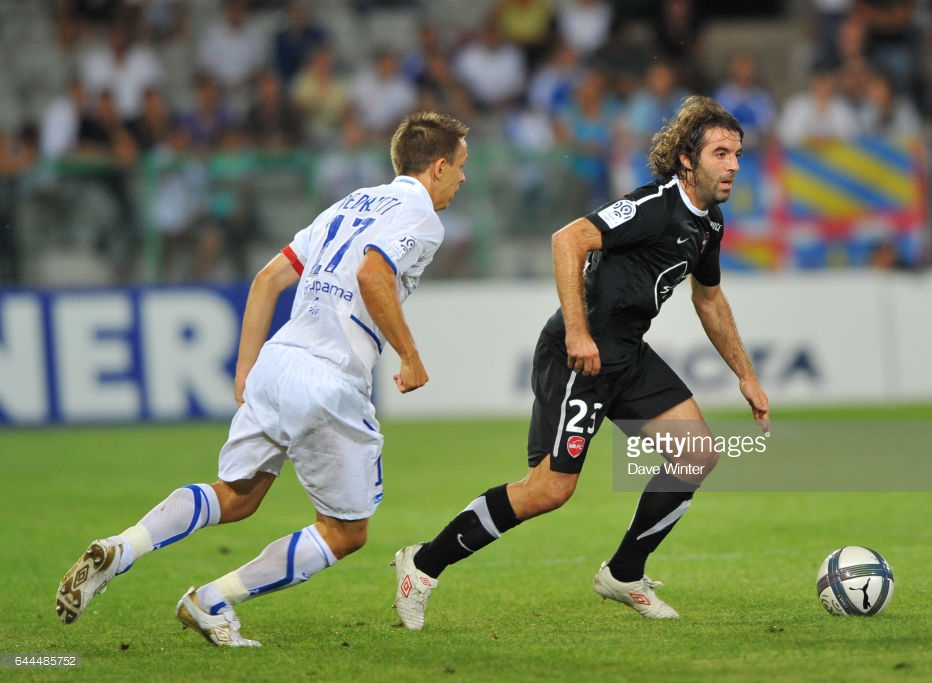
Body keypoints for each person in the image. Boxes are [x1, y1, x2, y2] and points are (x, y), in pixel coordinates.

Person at [55, 111, 470, 646]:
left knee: (236, 495)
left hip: (277, 362)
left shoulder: (348, 203)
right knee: (346, 532)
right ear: (437, 167)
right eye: (460, 166)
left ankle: (123, 546)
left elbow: (267, 279)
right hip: (327, 379)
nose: (463, 178)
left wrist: (246, 371)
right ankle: (211, 599)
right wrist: (409, 356)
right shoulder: (422, 219)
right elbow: (373, 275)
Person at [392, 95, 770, 630]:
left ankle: (624, 573)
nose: (733, 164)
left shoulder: (709, 224)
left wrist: (746, 375)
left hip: (627, 354)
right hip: (581, 356)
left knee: (695, 454)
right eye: (721, 153)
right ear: (688, 159)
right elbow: (568, 240)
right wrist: (577, 332)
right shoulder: (654, 204)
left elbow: (708, 298)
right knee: (548, 490)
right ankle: (422, 565)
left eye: (737, 153)